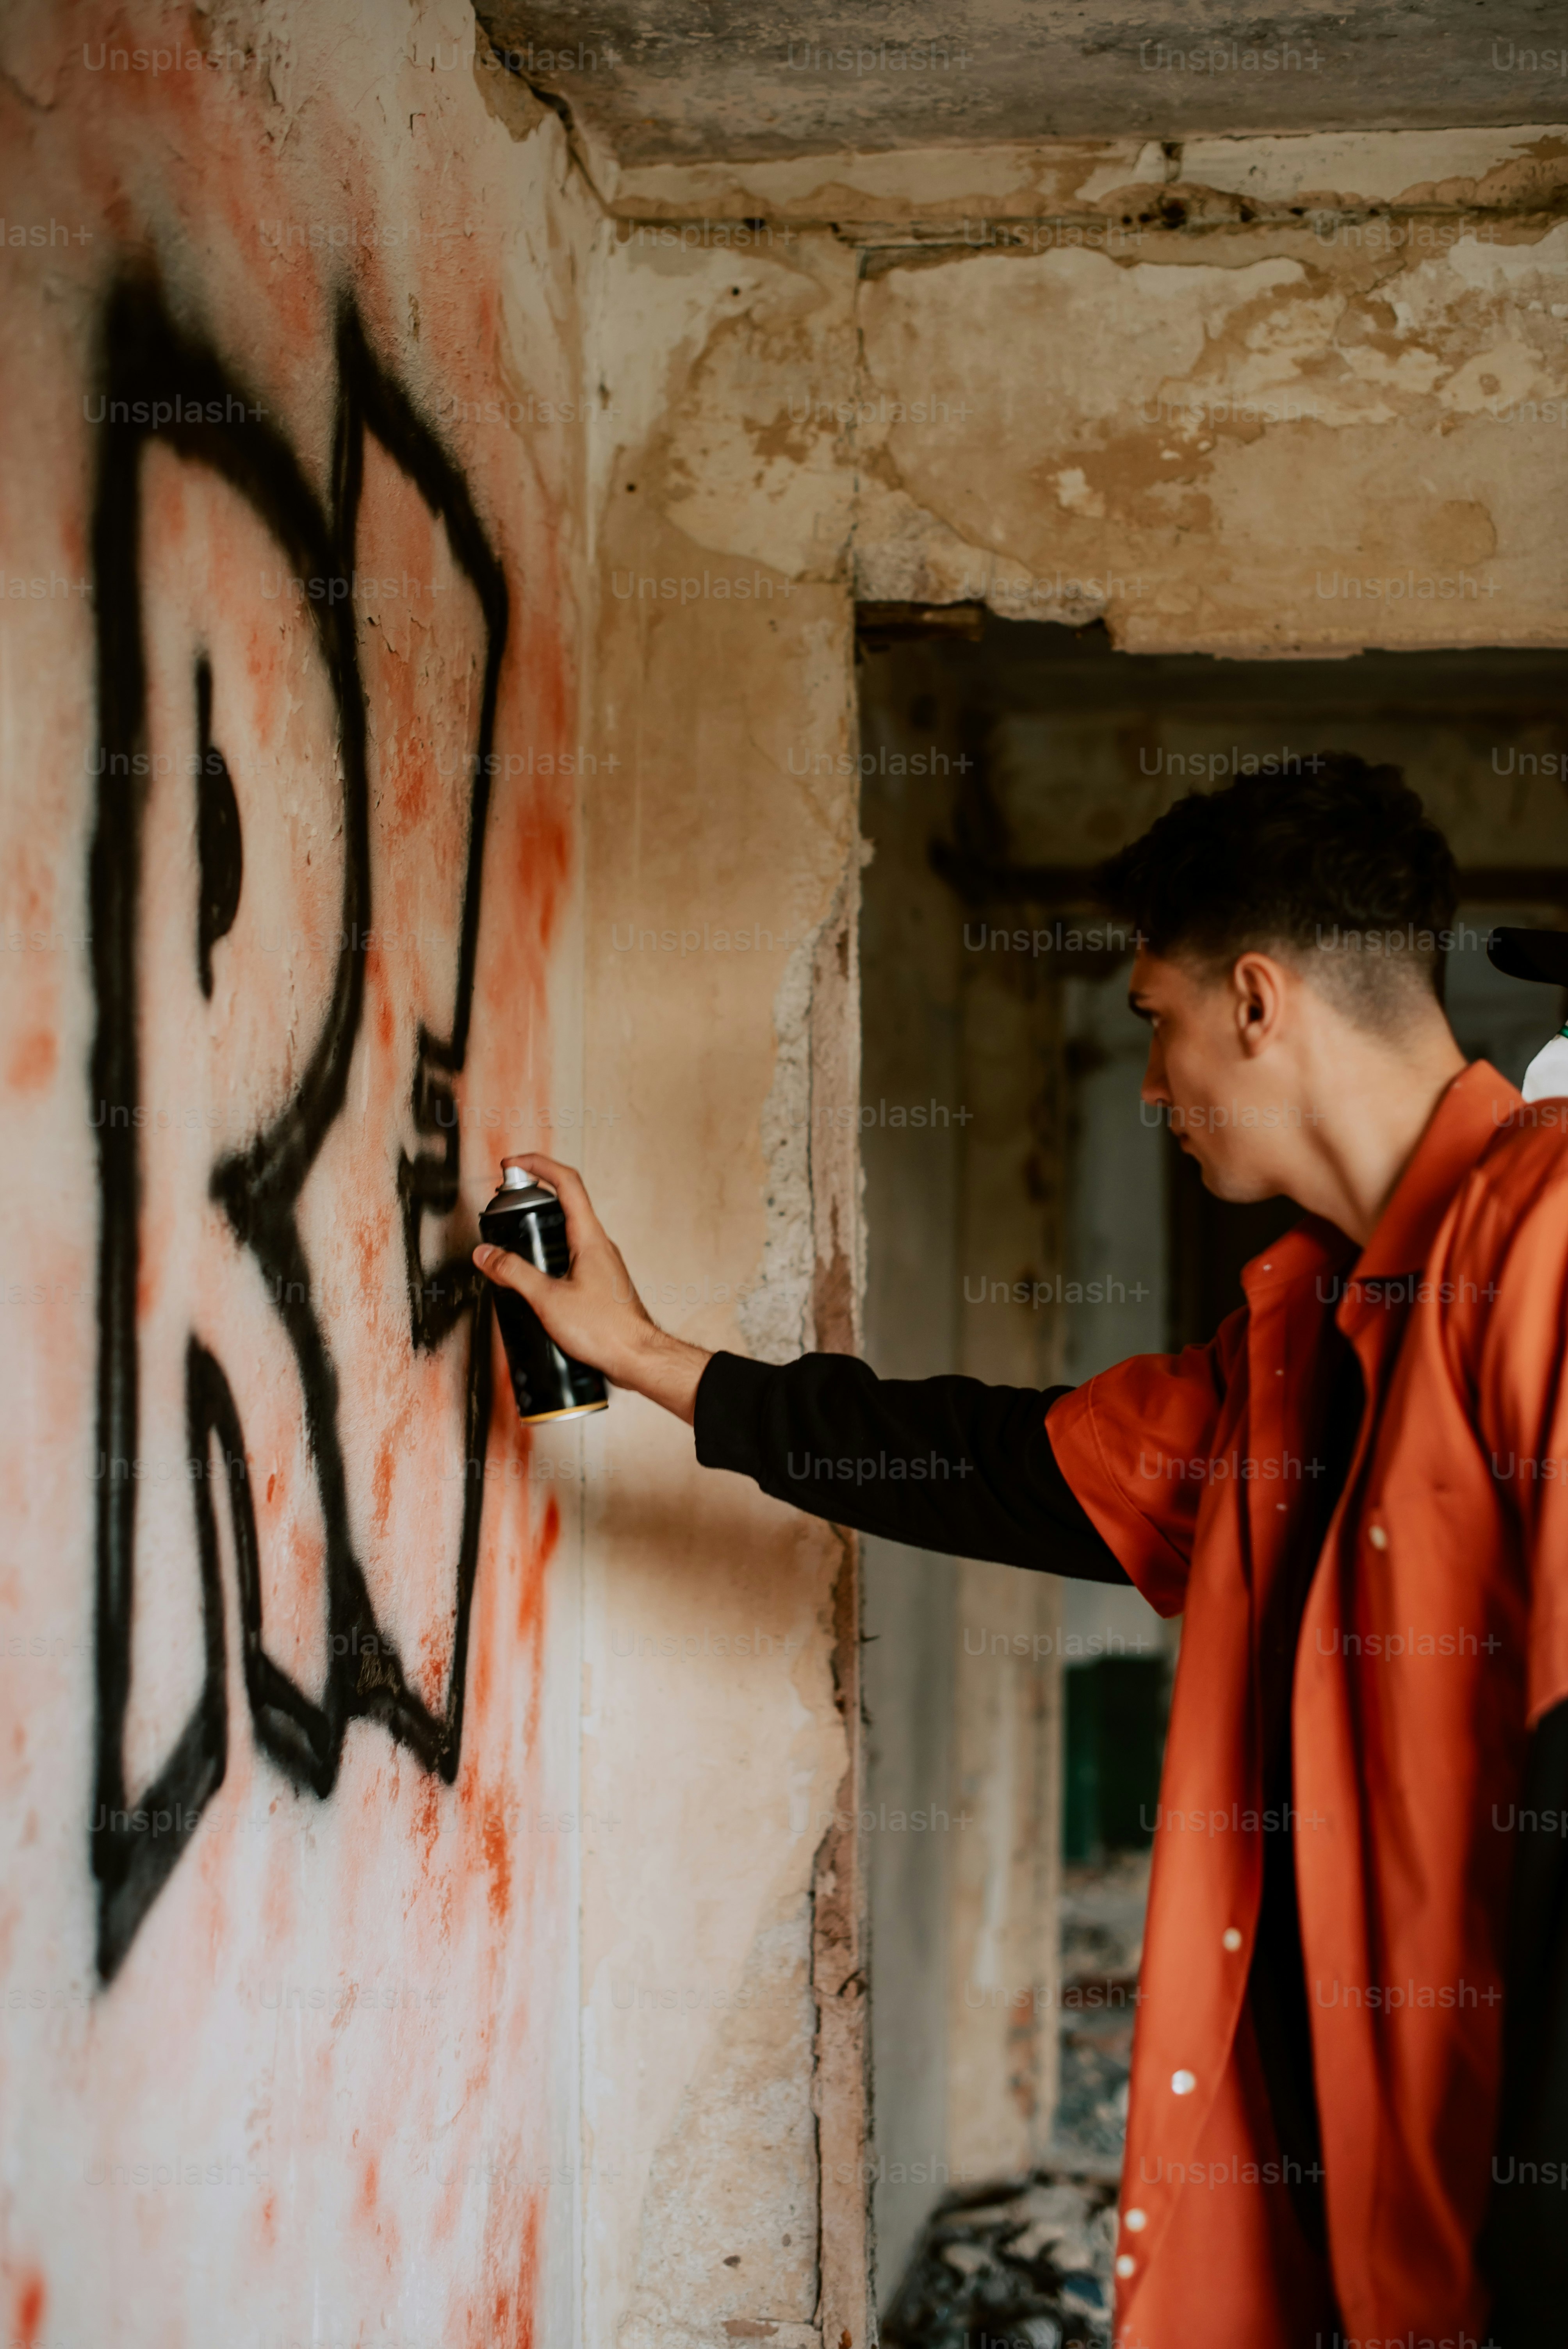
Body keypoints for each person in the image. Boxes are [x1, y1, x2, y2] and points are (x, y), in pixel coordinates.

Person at [474, 759, 1568, 2349]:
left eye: (1154, 1017)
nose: (1148, 1079)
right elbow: (1000, 1468)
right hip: (1368, 2239)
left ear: (1254, 1001)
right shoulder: (1300, 1350)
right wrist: (647, 1355)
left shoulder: (1540, 1241)